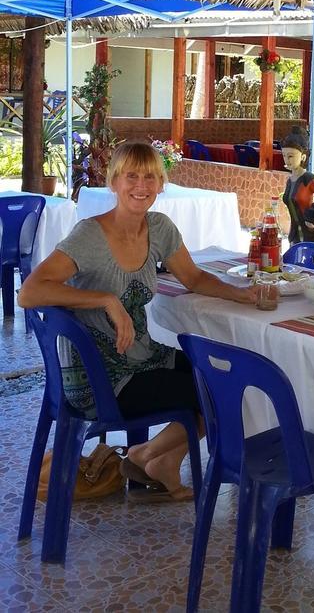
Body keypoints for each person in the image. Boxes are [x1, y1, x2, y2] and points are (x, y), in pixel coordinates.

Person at [18, 141, 257, 503]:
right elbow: (29, 292)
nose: (141, 185)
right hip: (99, 378)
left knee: (224, 375)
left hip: (141, 357)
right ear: (114, 181)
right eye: (131, 176)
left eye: (150, 177)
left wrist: (242, 293)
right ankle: (147, 458)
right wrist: (105, 299)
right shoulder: (89, 236)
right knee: (219, 392)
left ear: (161, 184)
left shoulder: (159, 228)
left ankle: (155, 459)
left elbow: (193, 278)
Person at [281, 127, 314, 245]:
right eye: (284, 155)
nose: (286, 160)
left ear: (303, 157)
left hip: (310, 232)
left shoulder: (307, 179)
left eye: (291, 156)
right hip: (294, 232)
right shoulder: (290, 180)